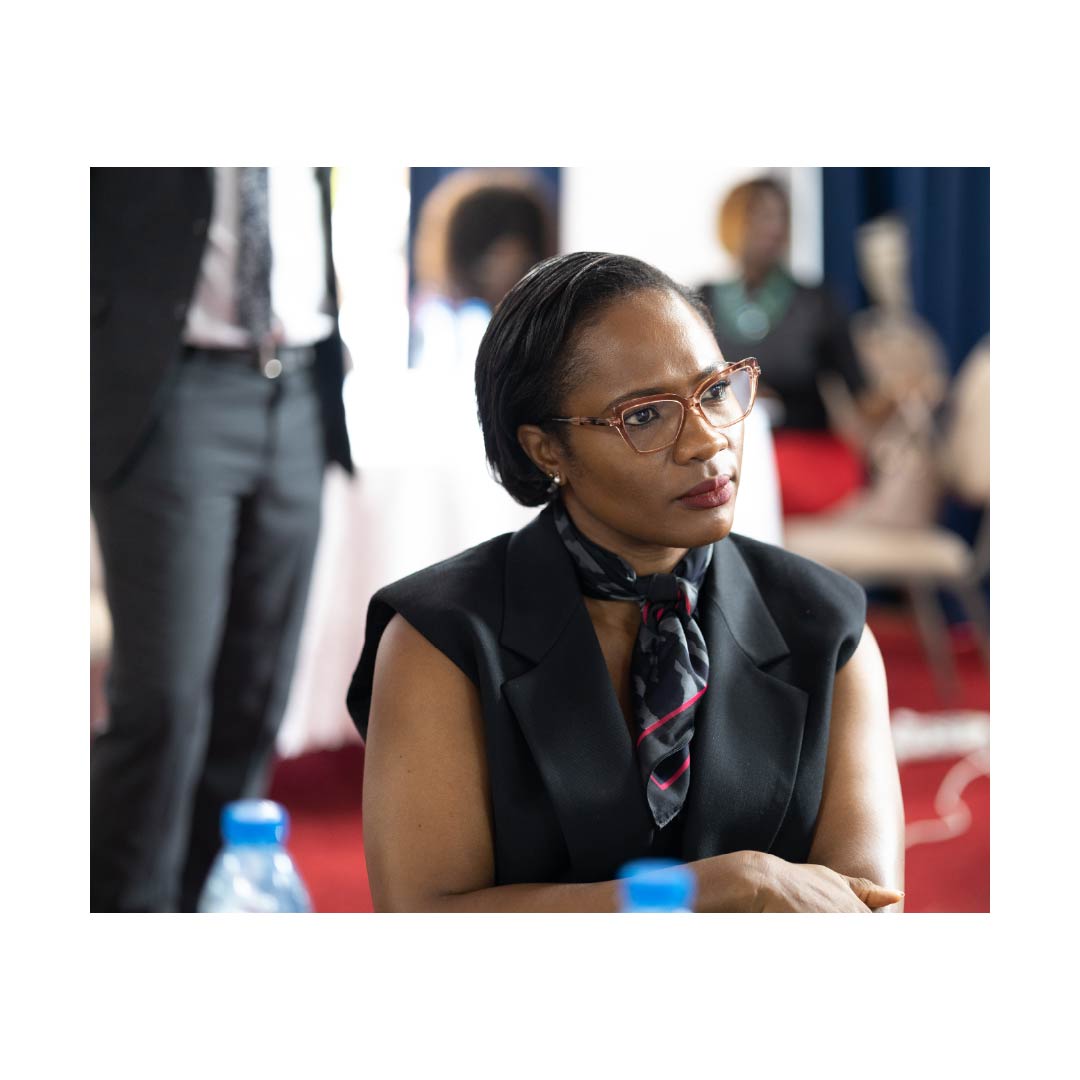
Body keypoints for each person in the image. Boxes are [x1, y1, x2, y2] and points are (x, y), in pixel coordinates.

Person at [347, 252, 905, 912]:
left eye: (715, 391)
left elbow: (867, 910)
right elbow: (422, 920)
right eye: (644, 416)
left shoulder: (826, 625)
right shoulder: (440, 640)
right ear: (545, 449)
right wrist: (723, 888)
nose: (707, 441)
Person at [90, 167, 352, 912]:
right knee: (164, 702)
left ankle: (208, 905)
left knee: (256, 693)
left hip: (299, 385)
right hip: (174, 385)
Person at [698, 177, 885, 516]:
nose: (773, 227)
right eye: (759, 215)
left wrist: (901, 400)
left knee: (754, 485)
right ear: (732, 222)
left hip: (805, 451)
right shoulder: (701, 301)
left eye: (780, 217)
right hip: (728, 448)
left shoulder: (816, 302)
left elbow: (862, 395)